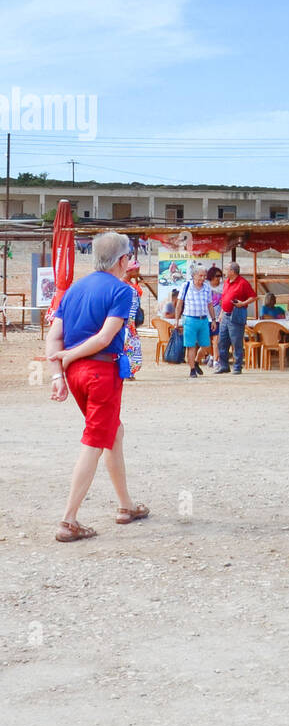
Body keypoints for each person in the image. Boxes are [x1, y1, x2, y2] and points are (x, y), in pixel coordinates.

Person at [45, 230, 150, 542]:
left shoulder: (73, 289)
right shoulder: (123, 291)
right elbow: (105, 338)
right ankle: (68, 520)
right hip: (100, 372)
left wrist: (58, 372)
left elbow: (54, 338)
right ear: (122, 260)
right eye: (129, 256)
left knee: (112, 432)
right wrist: (68, 358)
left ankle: (126, 506)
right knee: (94, 441)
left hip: (77, 374)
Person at [174, 263, 218, 378]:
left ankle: (197, 361)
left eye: (204, 276)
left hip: (203, 319)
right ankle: (192, 369)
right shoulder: (186, 286)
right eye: (201, 276)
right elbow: (179, 303)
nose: (203, 278)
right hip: (189, 319)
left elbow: (210, 304)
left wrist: (213, 319)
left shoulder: (207, 287)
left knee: (205, 346)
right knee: (191, 345)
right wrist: (177, 320)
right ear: (194, 276)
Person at [215, 261, 257, 374]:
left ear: (232, 272)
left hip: (236, 314)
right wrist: (221, 314)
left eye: (226, 270)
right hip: (225, 315)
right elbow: (224, 299)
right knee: (222, 342)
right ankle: (224, 366)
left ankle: (237, 366)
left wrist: (242, 303)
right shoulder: (227, 282)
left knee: (236, 341)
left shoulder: (242, 283)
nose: (224, 272)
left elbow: (253, 297)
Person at [121, 252, 144, 376]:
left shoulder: (130, 285)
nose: (138, 273)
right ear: (130, 271)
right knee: (128, 347)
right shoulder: (124, 285)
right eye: (136, 271)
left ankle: (129, 371)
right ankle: (127, 372)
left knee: (132, 347)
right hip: (125, 322)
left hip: (131, 322)